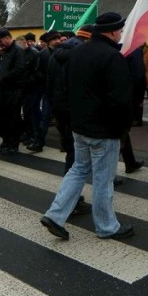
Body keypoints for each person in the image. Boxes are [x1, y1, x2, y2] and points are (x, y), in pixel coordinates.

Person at [40, 12, 134, 241]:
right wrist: (122, 128)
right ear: (112, 31)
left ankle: (55, 214)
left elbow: (68, 87)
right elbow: (120, 100)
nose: (121, 33)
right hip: (104, 129)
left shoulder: (78, 51)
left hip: (79, 126)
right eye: (120, 30)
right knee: (103, 179)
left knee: (78, 170)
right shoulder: (113, 57)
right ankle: (107, 226)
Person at [46, 24, 94, 214]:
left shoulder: (54, 55)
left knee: (71, 155)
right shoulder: (81, 55)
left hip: (60, 110)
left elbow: (48, 85)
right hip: (76, 112)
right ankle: (69, 201)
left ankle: (71, 198)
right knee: (77, 160)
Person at [0, 28, 25, 154]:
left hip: (14, 90)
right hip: (4, 89)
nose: (0, 43)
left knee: (13, 118)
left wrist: (5, 78)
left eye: (1, 40)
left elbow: (19, 69)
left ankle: (13, 144)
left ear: (7, 37)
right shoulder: (6, 51)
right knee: (4, 117)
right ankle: (6, 141)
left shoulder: (18, 50)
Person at [29, 30, 61, 152]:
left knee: (62, 120)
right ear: (49, 41)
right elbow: (38, 71)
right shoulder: (43, 54)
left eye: (58, 38)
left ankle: (66, 144)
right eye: (54, 39)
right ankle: (39, 142)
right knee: (45, 118)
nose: (57, 41)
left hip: (60, 92)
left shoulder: (63, 52)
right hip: (48, 92)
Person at [15, 35, 41, 149]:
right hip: (23, 88)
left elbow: (36, 72)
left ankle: (33, 135)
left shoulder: (34, 54)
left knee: (30, 113)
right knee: (25, 112)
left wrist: (27, 81)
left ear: (24, 43)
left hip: (32, 88)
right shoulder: (21, 53)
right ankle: (27, 133)